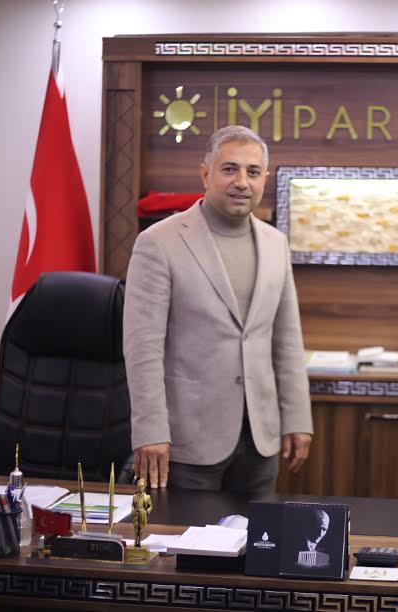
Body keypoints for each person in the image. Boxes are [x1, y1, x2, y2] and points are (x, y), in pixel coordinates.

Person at [123, 125, 313, 496]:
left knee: (260, 534)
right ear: (205, 174)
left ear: (264, 179)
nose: (242, 182)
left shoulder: (276, 243)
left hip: (260, 441)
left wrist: (298, 419)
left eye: (253, 172)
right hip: (185, 441)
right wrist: (150, 430)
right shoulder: (158, 242)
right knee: (184, 535)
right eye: (229, 169)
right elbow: (142, 348)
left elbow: (287, 340)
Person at [131, 477, 152, 547]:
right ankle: (135, 541)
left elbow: (150, 506)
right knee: (135, 527)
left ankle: (139, 541)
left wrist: (146, 512)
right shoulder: (134, 496)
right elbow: (133, 505)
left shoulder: (147, 497)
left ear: (144, 487)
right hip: (136, 512)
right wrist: (132, 510)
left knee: (141, 528)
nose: (141, 488)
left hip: (142, 512)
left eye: (142, 486)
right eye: (139, 486)